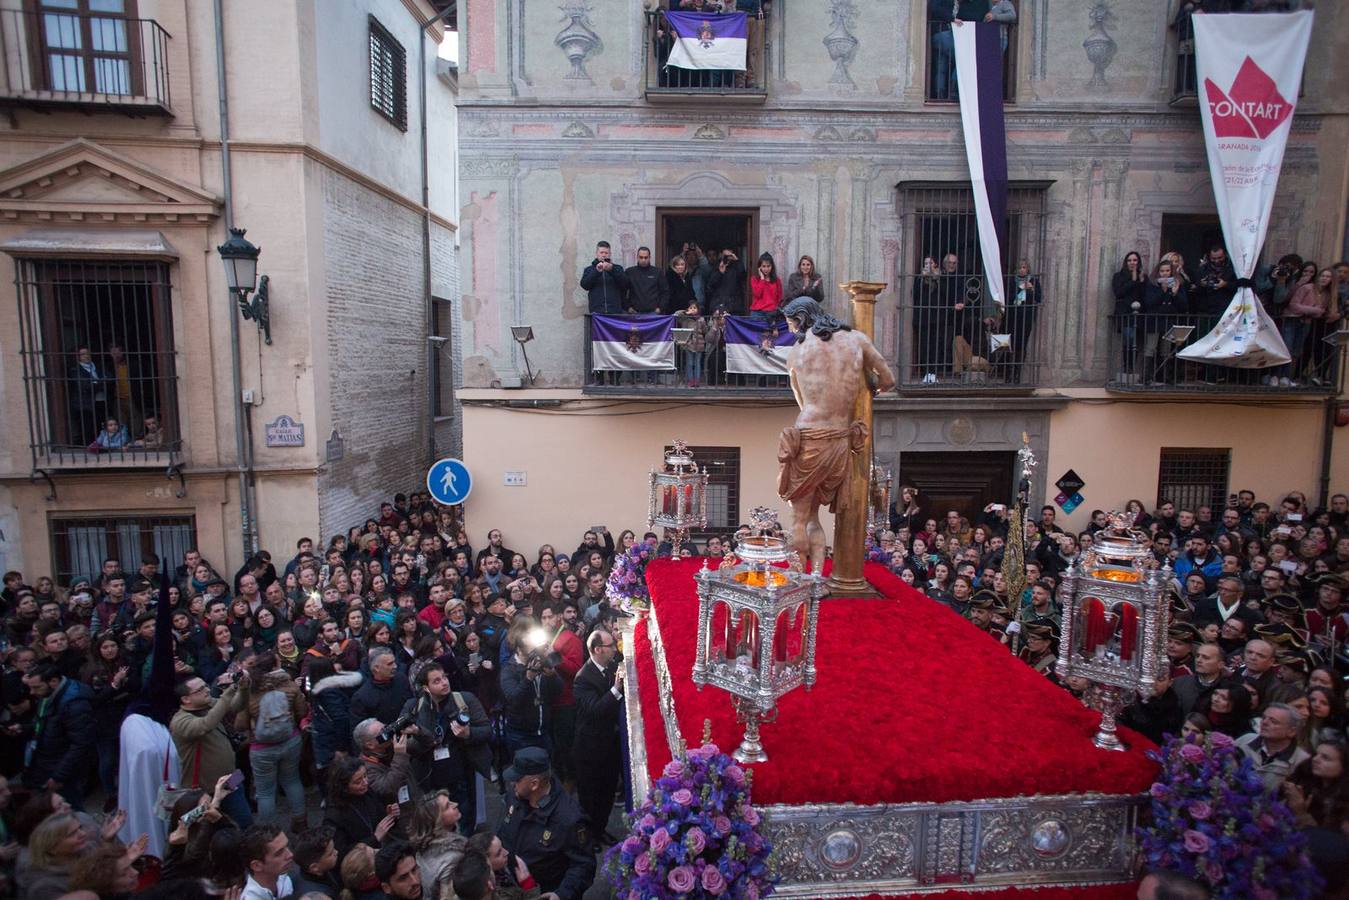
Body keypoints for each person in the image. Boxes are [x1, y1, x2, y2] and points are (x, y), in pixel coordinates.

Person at [778, 296, 896, 573]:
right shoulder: (857, 339)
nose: (792, 331)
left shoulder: (797, 352)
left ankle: (798, 581)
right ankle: (818, 577)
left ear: (801, 320)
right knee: (813, 517)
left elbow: (802, 402)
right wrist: (869, 388)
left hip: (810, 437)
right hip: (840, 441)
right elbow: (888, 380)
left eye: (792, 325)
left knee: (799, 516)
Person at [400, 663, 492, 831]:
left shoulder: (464, 699)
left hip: (462, 773)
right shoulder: (414, 707)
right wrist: (420, 734)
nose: (444, 682)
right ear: (426, 688)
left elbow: (487, 731)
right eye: (436, 681)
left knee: (464, 819)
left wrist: (468, 734)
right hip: (429, 776)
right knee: (435, 823)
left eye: (444, 677)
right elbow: (406, 744)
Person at [496, 747, 595, 900]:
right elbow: (502, 831)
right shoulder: (515, 796)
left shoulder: (569, 818)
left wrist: (561, 894)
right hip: (512, 888)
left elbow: (584, 864)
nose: (512, 784)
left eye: (517, 780)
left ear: (534, 784)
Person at [170, 673, 252, 826]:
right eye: (200, 690)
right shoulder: (180, 721)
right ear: (186, 699)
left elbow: (236, 706)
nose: (207, 690)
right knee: (204, 833)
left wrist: (243, 688)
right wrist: (229, 691)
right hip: (203, 792)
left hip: (230, 780)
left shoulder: (209, 705)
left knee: (245, 824)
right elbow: (204, 726)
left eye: (206, 686)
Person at [238, 652, 308, 830]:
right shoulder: (289, 685)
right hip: (290, 740)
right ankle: (300, 822)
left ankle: (268, 832)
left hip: (261, 748)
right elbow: (302, 711)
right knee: (292, 780)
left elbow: (240, 724)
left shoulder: (251, 690)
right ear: (276, 665)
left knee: (265, 791)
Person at [571, 629, 624, 844]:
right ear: (598, 649)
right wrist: (616, 689)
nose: (615, 648)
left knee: (607, 792)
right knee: (590, 797)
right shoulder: (583, 679)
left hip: (609, 746)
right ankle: (589, 837)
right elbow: (595, 710)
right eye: (611, 645)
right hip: (589, 750)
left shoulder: (611, 667)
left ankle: (600, 829)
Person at [20, 662, 95, 807]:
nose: (32, 692)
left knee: (68, 809)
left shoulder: (75, 704)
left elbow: (80, 744)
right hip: (47, 764)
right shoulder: (51, 695)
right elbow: (45, 724)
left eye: (36, 687)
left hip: (62, 773)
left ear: (53, 681)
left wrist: (58, 776)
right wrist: (23, 728)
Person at [323, 756, 403, 857]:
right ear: (344, 787)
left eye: (365, 776)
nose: (365, 783)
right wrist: (374, 838)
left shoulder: (367, 792)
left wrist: (389, 815)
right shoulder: (334, 816)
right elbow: (340, 853)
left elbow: (378, 820)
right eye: (358, 782)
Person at [1236, 703, 1312, 793]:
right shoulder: (1245, 741)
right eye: (1264, 718)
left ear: (1292, 731)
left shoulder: (1301, 760)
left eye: (1273, 721)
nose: (1264, 723)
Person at [405, 791, 467, 899]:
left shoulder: (423, 846)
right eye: (448, 806)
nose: (455, 804)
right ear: (437, 820)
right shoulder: (452, 859)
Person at [351, 647, 414, 726]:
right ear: (376, 668)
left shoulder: (402, 680)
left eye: (394, 662)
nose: (395, 666)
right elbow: (359, 732)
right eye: (390, 664)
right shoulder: (362, 697)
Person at [241, 823, 294, 900]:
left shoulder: (282, 875)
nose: (290, 854)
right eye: (279, 853)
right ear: (257, 866)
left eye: (287, 846)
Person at [291, 825, 342, 899]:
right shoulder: (321, 896)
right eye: (330, 854)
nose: (336, 852)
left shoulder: (304, 869)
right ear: (314, 867)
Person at [580, 241, 628, 315]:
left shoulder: (617, 268)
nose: (604, 255)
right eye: (601, 252)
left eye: (606, 253)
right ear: (597, 253)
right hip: (597, 312)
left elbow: (625, 284)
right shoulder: (589, 269)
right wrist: (596, 272)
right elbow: (585, 285)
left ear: (610, 254)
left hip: (615, 312)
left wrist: (612, 270)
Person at [624, 246, 668, 314]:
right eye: (641, 257)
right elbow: (622, 291)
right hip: (634, 313)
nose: (643, 260)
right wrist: (627, 307)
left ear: (649, 257)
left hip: (653, 313)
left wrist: (660, 308)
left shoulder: (658, 272)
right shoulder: (630, 272)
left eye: (646, 257)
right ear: (637, 257)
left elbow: (665, 292)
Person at [749, 252, 783, 321]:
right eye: (764, 266)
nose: (766, 269)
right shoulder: (754, 279)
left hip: (771, 313)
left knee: (770, 332)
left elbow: (779, 297)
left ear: (772, 266)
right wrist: (762, 279)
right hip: (757, 312)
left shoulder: (777, 280)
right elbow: (757, 294)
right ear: (759, 267)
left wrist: (774, 309)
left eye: (768, 266)